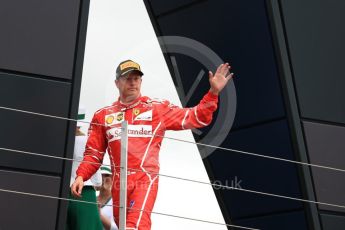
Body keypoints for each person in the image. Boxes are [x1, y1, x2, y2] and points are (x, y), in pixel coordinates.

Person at [71, 60, 233, 230]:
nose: (133, 82)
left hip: (145, 179)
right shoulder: (103, 115)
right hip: (119, 184)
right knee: (124, 227)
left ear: (141, 81)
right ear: (117, 83)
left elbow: (196, 117)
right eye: (127, 78)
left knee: (135, 226)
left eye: (136, 78)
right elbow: (94, 153)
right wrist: (81, 176)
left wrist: (213, 92)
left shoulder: (156, 108)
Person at [66, 107, 103, 230]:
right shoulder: (86, 140)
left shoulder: (57, 140)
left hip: (60, 192)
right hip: (84, 192)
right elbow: (98, 181)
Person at [97, 163, 118, 230]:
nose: (103, 179)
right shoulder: (92, 199)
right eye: (101, 176)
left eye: (107, 176)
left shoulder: (117, 202)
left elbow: (116, 228)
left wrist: (99, 215)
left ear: (112, 179)